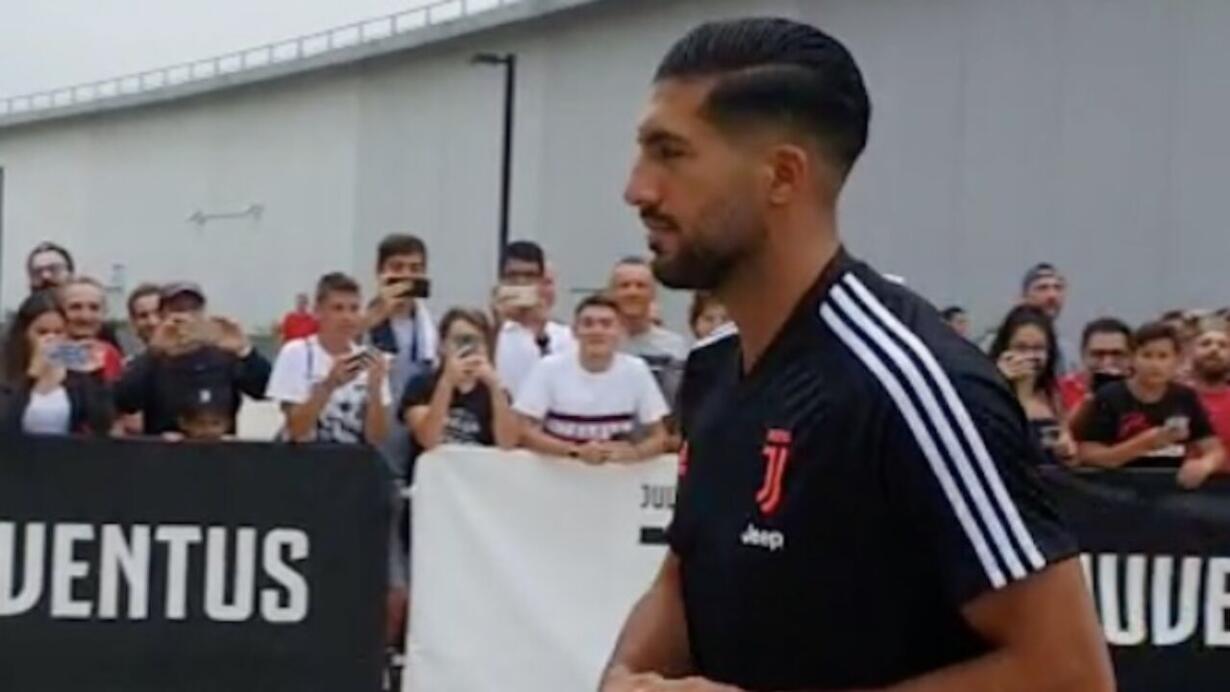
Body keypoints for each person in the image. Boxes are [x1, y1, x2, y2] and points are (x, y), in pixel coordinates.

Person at [605, 18, 1112, 692]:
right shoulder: (713, 366)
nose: (637, 189)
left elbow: (1070, 675)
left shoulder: (913, 384)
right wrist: (625, 677)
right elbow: (681, 575)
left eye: (670, 153)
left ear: (782, 175)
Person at [515, 295, 669, 464]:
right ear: (574, 331)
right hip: (558, 470)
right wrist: (575, 451)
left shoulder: (636, 369)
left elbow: (660, 437)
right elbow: (523, 430)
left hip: (617, 474)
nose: (597, 331)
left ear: (620, 331)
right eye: (588, 324)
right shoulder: (548, 367)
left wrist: (634, 453)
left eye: (606, 324)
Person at [1075, 322, 1224, 488]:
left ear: (1177, 360)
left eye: (1163, 356)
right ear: (1132, 358)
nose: (1155, 365)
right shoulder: (1109, 396)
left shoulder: (1185, 397)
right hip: (1116, 489)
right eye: (1147, 356)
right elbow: (1088, 455)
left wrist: (1205, 465)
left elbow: (1214, 449)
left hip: (1171, 490)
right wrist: (1144, 444)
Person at [115, 281, 271, 435]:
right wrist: (154, 351)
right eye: (177, 310)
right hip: (164, 448)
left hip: (219, 448)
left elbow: (264, 391)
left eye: (192, 309)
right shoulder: (154, 360)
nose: (186, 317)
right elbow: (125, 402)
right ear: (162, 316)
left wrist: (245, 351)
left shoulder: (223, 356)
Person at [266, 273, 391, 445]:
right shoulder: (297, 353)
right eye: (337, 308)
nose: (347, 317)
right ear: (318, 312)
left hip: (353, 458)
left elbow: (376, 439)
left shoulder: (370, 359)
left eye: (354, 309)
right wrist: (329, 384)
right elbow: (296, 431)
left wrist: (375, 391)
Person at [403, 308, 520, 452]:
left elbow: (508, 444)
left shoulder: (494, 392)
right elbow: (427, 439)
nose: (468, 348)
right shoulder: (421, 384)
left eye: (475, 341)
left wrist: (495, 388)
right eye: (460, 340)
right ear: (442, 345)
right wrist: (447, 383)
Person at [0, 291, 114, 436]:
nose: (51, 339)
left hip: (63, 449)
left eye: (58, 332)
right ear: (24, 334)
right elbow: (6, 422)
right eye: (42, 332)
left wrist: (96, 377)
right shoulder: (6, 369)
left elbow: (102, 424)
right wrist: (31, 376)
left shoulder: (74, 374)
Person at [989, 306, 1075, 463]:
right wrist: (1018, 387)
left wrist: (1066, 449)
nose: (1030, 356)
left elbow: (1070, 456)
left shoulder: (1052, 395)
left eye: (1038, 348)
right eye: (1021, 348)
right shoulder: (991, 395)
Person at [493, 241, 575, 394]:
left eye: (530, 276)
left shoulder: (565, 336)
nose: (521, 282)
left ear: (541, 280)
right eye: (512, 276)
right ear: (501, 280)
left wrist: (541, 335)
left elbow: (565, 384)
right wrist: (496, 322)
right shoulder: (487, 330)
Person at [609, 257, 688, 403]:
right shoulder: (598, 342)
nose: (633, 292)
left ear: (653, 293)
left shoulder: (674, 345)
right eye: (624, 285)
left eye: (641, 286)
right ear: (611, 293)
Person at [1057, 317, 1133, 414]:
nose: (1107, 363)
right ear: (1083, 355)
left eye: (1117, 354)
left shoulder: (1145, 392)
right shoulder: (1058, 392)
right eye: (1098, 354)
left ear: (1132, 357)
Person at [60, 277, 124, 382]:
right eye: (75, 307)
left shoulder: (110, 355)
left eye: (94, 308)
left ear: (104, 312)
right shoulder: (48, 357)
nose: (85, 317)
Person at [1188, 317, 1230, 467]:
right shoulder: (1172, 398)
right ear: (1190, 352)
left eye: (1223, 345)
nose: (1214, 349)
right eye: (1205, 344)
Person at [1021, 263, 1077, 373]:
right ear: (1025, 296)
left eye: (1058, 288)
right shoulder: (1004, 340)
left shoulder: (1068, 351)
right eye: (1042, 288)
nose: (1052, 295)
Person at [126, 283, 163, 354]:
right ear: (133, 322)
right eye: (143, 316)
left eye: (158, 312)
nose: (153, 322)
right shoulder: (132, 361)